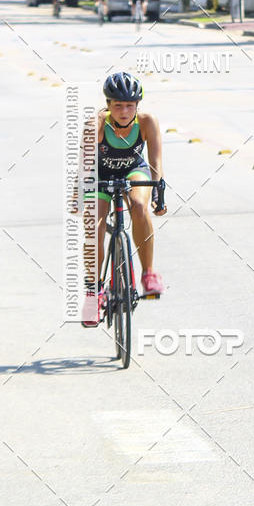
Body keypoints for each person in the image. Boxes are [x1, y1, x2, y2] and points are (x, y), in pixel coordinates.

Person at [81, 72, 167, 327]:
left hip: (133, 170)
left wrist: (159, 193)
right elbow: (84, 165)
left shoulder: (147, 122)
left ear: (137, 106)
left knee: (139, 205)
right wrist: (78, 194)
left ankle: (149, 273)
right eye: (118, 105)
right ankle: (93, 292)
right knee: (93, 223)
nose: (124, 110)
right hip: (101, 174)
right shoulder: (95, 123)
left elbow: (155, 162)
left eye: (130, 105)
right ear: (108, 105)